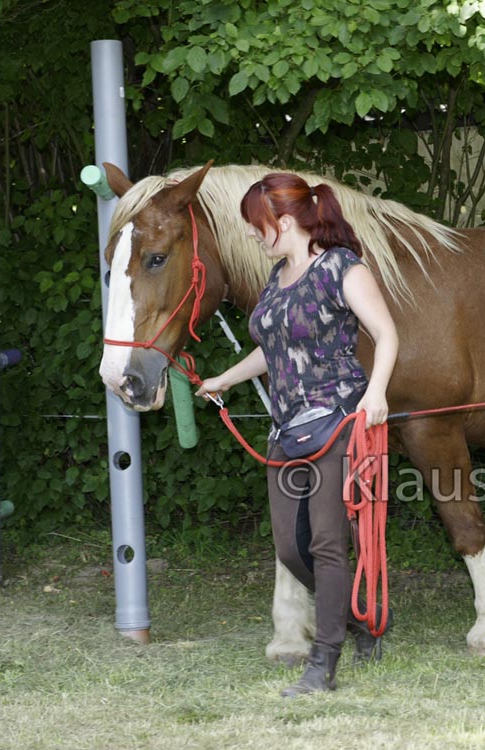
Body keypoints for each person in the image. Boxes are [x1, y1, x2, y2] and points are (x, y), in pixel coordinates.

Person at [196, 172, 399, 698]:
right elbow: (274, 347)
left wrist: (376, 393)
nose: (250, 235)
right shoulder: (277, 277)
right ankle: (360, 617)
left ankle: (323, 664)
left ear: (283, 222)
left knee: (329, 545)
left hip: (338, 420)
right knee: (291, 547)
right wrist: (224, 378)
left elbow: (385, 332)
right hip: (286, 427)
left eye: (254, 225)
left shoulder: (341, 268)